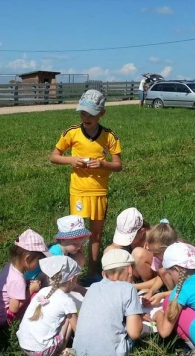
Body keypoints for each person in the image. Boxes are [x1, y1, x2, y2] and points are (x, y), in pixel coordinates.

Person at [49, 89, 122, 281]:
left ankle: (92, 271)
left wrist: (104, 164)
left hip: (98, 191)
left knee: (96, 234)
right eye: (83, 113)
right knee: (76, 235)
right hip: (79, 191)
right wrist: (71, 160)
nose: (86, 117)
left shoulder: (109, 136)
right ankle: (72, 274)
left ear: (102, 113)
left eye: (91, 113)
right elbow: (54, 157)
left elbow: (118, 165)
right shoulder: (71, 132)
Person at [73, 249, 144, 356]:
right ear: (130, 270)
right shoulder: (128, 288)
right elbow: (134, 333)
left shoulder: (93, 287)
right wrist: (139, 318)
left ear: (103, 274)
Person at [17, 256, 81, 356]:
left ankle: (56, 349)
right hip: (42, 351)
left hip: (25, 345)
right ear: (72, 279)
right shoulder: (66, 301)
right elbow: (77, 329)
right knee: (70, 319)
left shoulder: (43, 291)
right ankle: (61, 352)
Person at [0, 229, 51, 327]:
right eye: (38, 260)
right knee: (36, 296)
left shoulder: (10, 267)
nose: (39, 264)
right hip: (2, 319)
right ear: (28, 259)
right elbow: (14, 308)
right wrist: (31, 289)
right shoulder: (17, 279)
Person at [135, 219, 179, 305]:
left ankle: (174, 299)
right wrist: (151, 292)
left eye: (156, 253)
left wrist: (162, 295)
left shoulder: (179, 263)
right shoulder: (159, 256)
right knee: (162, 270)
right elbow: (160, 276)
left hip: (187, 288)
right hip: (180, 287)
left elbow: (185, 289)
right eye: (152, 253)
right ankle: (171, 295)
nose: (153, 256)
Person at [103, 207, 153, 282]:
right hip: (133, 273)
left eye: (130, 237)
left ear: (142, 232)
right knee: (109, 252)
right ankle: (115, 285)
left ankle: (148, 287)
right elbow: (114, 247)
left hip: (152, 276)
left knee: (138, 253)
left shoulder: (155, 237)